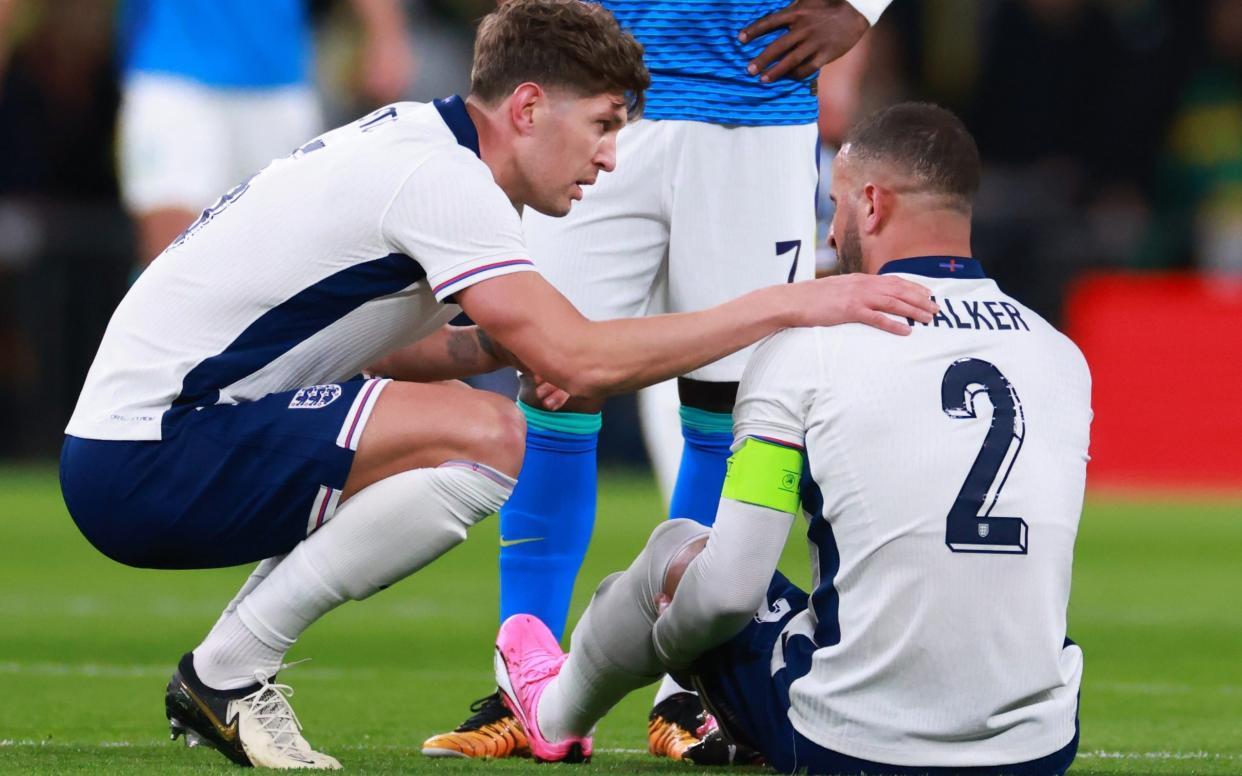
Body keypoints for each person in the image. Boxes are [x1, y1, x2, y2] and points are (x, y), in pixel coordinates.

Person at [59, 1, 937, 769]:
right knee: (489, 441)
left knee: (471, 426)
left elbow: (381, 348)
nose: (608, 158)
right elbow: (581, 362)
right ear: (527, 108)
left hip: (142, 439)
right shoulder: (445, 184)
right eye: (601, 125)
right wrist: (789, 304)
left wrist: (504, 350)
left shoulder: (417, 140)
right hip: (147, 456)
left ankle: (231, 673)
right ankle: (228, 673)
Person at [494, 102, 1091, 775]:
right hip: (1037, 751)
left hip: (851, 747)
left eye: (834, 206)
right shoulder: (1063, 357)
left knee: (680, 553)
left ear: (870, 204)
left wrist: (669, 649)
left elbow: (727, 592)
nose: (831, 233)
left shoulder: (809, 351)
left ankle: (553, 716)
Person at [423, 0, 896, 760]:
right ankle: (526, 688)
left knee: (735, 406)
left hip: (757, 99)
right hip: (593, 91)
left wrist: (861, 9)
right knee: (554, 381)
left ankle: (691, 692)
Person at [116, 0, 414, 268]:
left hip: (276, 82)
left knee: (281, 254)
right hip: (172, 72)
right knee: (171, 255)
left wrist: (387, 36)